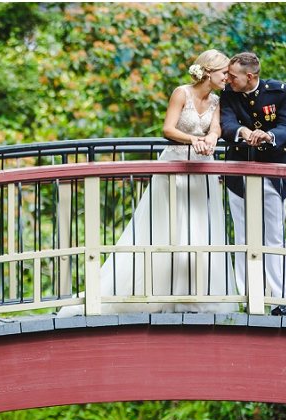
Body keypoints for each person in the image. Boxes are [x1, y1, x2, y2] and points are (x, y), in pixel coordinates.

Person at [60, 49, 238, 316]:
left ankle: (190, 296)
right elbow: (168, 129)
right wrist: (193, 140)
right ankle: (155, 294)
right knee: (167, 230)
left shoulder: (216, 100)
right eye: (224, 73)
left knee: (197, 231)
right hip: (174, 169)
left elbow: (215, 127)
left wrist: (212, 138)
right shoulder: (182, 92)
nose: (228, 78)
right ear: (209, 72)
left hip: (201, 173)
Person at [220, 52, 286, 316]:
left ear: (250, 76)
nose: (228, 79)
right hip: (238, 171)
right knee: (242, 235)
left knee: (275, 236)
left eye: (232, 76)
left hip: (273, 172)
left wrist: (269, 135)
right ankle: (246, 298)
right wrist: (242, 132)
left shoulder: (279, 92)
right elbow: (227, 123)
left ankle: (282, 300)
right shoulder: (229, 94)